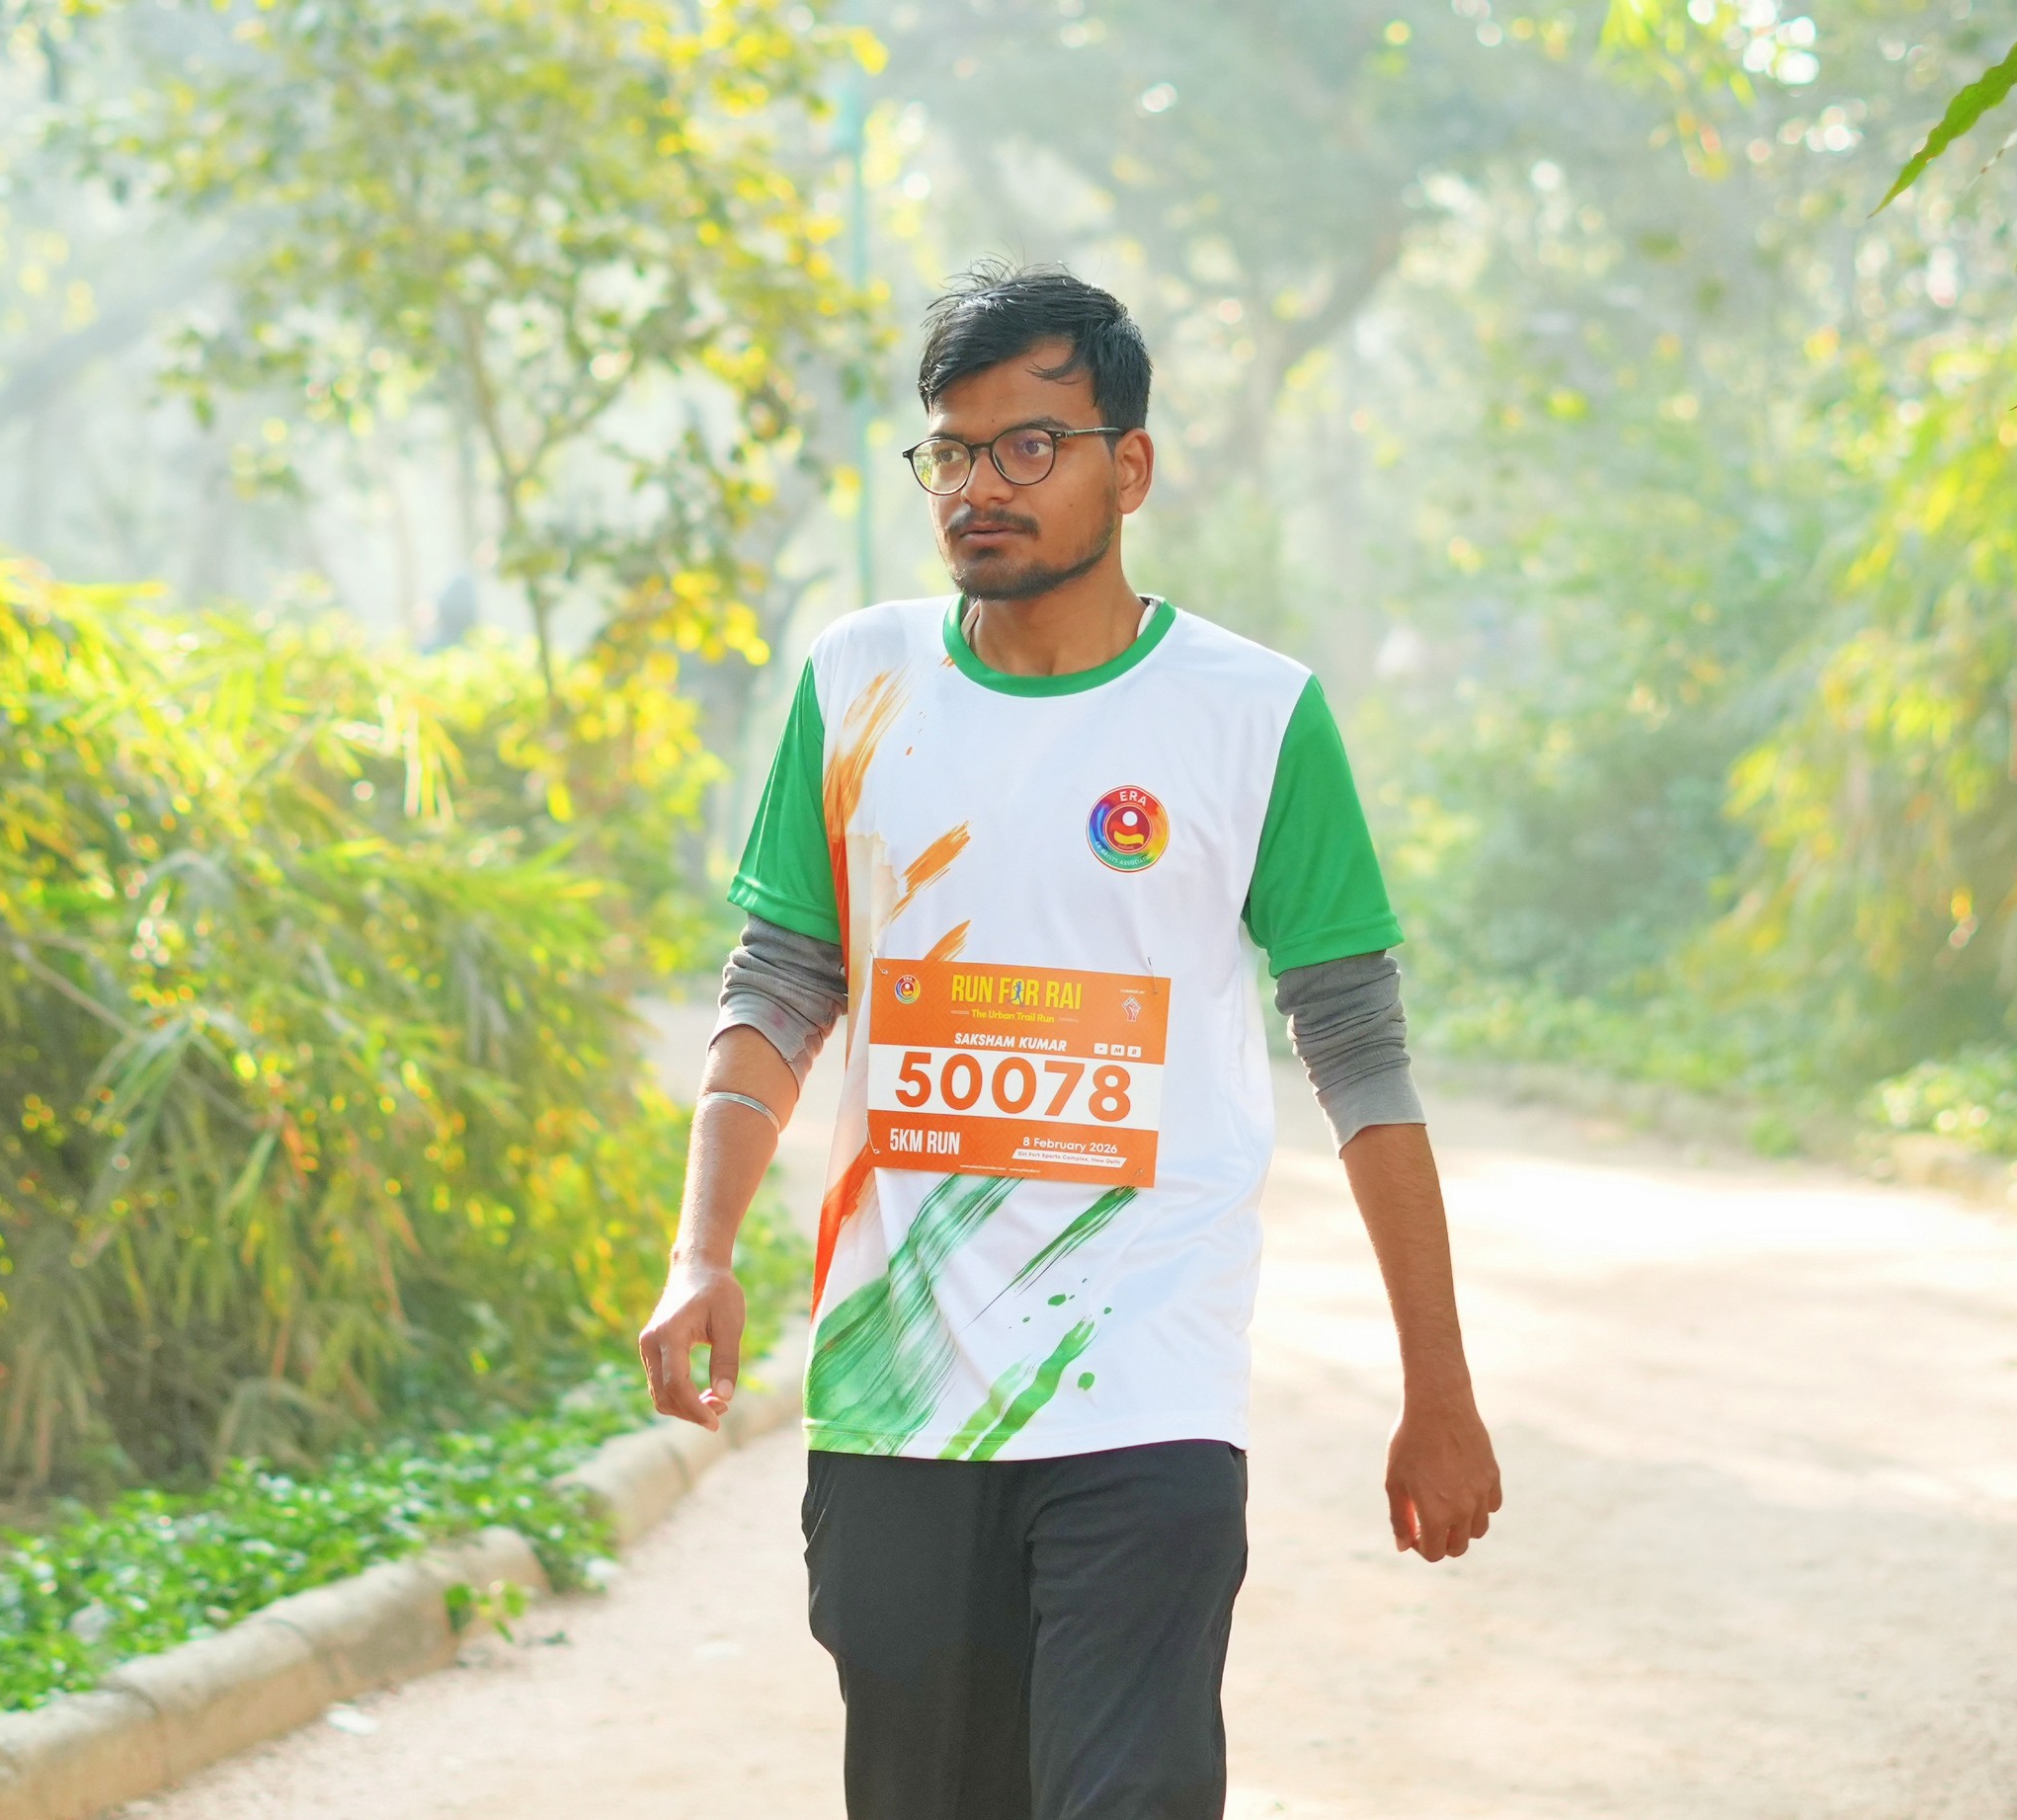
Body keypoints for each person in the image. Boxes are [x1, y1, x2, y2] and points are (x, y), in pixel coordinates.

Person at [637, 262, 1500, 1820]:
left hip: (1148, 1388)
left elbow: (1360, 1061)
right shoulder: (858, 682)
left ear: (1131, 466)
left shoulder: (1252, 715)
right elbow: (777, 988)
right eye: (953, 450)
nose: (982, 485)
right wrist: (701, 1251)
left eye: (1031, 444)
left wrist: (1437, 1385)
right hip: (897, 1393)